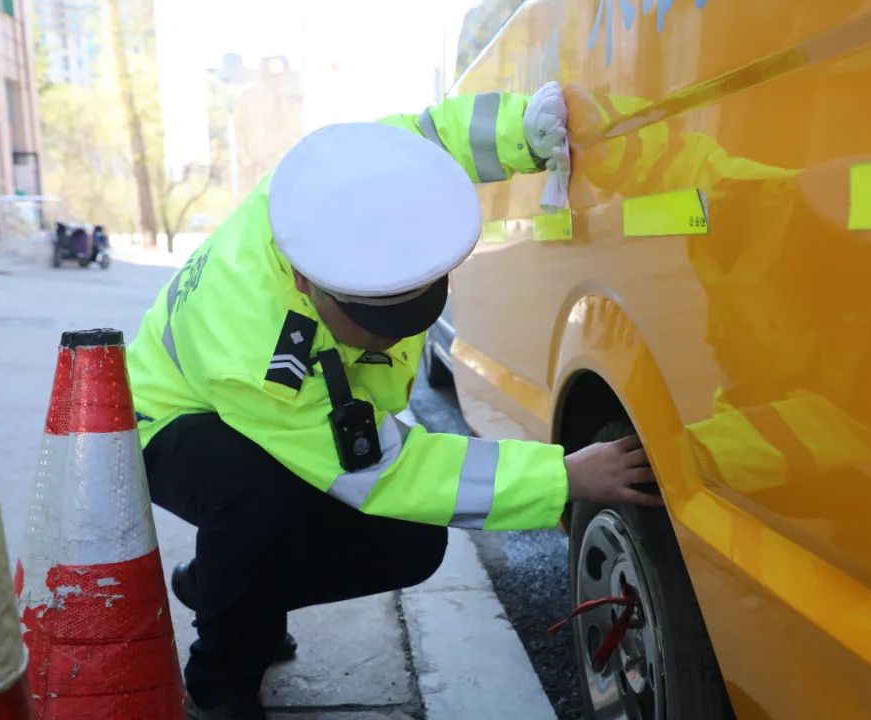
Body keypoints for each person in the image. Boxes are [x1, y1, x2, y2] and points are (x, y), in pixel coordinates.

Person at [127, 84, 660, 720]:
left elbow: (428, 140)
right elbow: (384, 471)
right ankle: (219, 680)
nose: (399, 341)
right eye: (378, 329)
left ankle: (225, 584)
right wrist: (562, 475)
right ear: (308, 283)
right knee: (262, 501)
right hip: (169, 421)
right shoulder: (269, 360)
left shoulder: (329, 189)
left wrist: (524, 129)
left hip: (248, 419)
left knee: (411, 542)